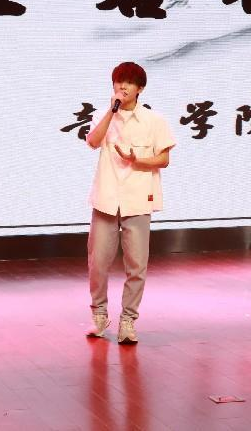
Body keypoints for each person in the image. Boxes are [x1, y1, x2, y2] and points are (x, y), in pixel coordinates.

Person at [84, 61, 176, 343]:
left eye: (129, 82)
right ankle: (99, 315)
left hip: (138, 199)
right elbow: (93, 141)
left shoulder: (154, 120)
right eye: (118, 81)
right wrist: (111, 113)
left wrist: (138, 160)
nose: (123, 86)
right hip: (106, 199)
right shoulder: (104, 115)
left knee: (136, 266)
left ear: (140, 89)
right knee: (98, 263)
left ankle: (128, 321)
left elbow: (164, 159)